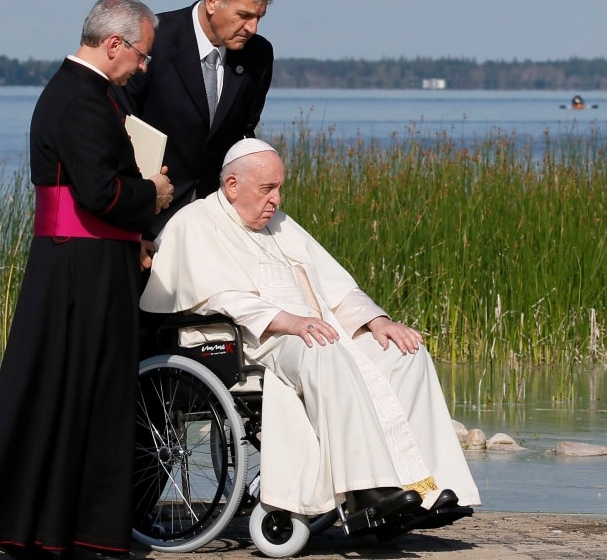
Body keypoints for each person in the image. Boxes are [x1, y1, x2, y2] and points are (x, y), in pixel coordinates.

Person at [140, 139, 478, 533]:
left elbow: (336, 287)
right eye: (267, 190)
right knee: (321, 348)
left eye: (280, 188)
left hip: (316, 334)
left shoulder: (280, 224)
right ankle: (366, 491)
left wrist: (377, 322)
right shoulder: (194, 223)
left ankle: (427, 487)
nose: (276, 201)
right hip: (256, 343)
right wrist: (288, 321)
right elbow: (221, 297)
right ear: (232, 185)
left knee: (404, 352)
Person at [0, 0, 174, 560]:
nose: (142, 67)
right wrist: (153, 194)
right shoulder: (82, 100)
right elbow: (101, 195)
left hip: (77, 261)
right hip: (82, 268)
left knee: (53, 395)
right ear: (114, 44)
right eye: (141, 55)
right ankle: (89, 540)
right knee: (95, 397)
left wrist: (133, 230)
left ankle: (36, 530)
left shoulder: (79, 94)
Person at [117, 0, 276, 233]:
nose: (252, 28)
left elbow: (244, 135)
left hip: (218, 223)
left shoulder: (259, 56)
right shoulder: (154, 38)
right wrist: (133, 226)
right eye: (244, 15)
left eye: (259, 17)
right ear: (213, 1)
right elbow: (121, 128)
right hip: (149, 219)